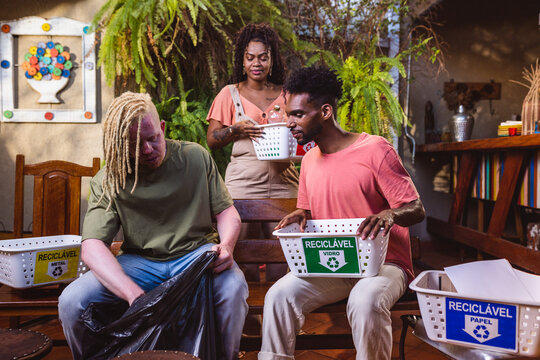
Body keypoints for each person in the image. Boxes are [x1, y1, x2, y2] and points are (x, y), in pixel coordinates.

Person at [58, 92, 248, 360]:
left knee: (233, 288)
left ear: (162, 128)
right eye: (136, 145)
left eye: (152, 139)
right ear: (122, 144)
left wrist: (226, 246)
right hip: (140, 263)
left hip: (195, 257)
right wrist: (135, 296)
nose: (147, 150)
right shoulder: (111, 177)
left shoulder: (195, 158)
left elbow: (227, 213)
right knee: (72, 302)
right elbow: (92, 247)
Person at [258, 67, 426, 360]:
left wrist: (390, 215)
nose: (288, 123)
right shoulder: (309, 160)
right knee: (278, 296)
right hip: (334, 263)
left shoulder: (375, 150)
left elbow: (416, 208)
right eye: (288, 114)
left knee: (364, 300)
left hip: (385, 264)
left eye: (297, 114)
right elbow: (309, 207)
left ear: (325, 111)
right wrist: (300, 214)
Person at [206, 23, 298, 199]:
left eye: (263, 58)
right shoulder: (230, 93)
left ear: (272, 60)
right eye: (250, 58)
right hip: (243, 183)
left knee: (288, 227)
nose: (256, 63)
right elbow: (211, 140)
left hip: (285, 183)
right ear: (242, 60)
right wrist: (236, 129)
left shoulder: (287, 94)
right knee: (238, 226)